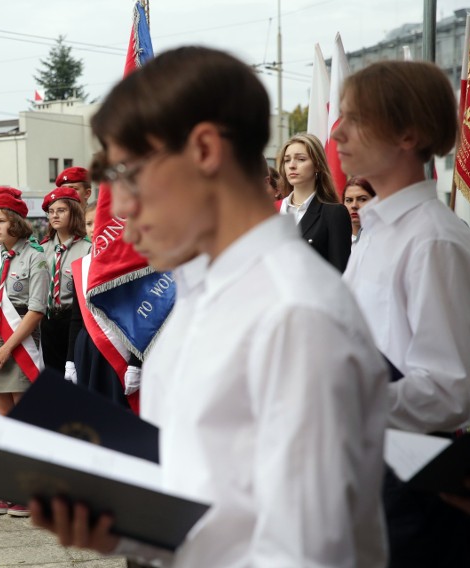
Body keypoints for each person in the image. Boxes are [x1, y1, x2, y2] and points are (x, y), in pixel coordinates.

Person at [30, 46, 389, 567]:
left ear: (203, 150)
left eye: (130, 174)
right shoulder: (204, 292)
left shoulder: (293, 313)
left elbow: (307, 553)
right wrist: (122, 531)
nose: (120, 210)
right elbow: (212, 496)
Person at [335, 60, 470, 568]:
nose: (337, 131)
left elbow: (449, 388)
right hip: (365, 467)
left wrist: (337, 399)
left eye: (356, 118)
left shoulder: (433, 240)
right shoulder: (377, 230)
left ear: (408, 133)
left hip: (414, 482)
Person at [0, 186, 49, 518]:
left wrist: (5, 348)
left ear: (17, 221)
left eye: (2, 220)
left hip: (18, 346)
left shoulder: (36, 258)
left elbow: (35, 310)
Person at [277, 133, 352, 271]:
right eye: (287, 160)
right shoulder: (271, 210)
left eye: (300, 159)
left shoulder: (334, 213)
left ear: (317, 165)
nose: (292, 165)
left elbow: (339, 272)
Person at [40, 187, 91, 375]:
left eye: (61, 210)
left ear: (74, 212)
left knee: (75, 373)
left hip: (73, 320)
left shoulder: (86, 248)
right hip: (47, 320)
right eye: (51, 212)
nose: (55, 216)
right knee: (52, 376)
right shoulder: (42, 249)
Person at [342, 177, 376, 244]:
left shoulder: (385, 238)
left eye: (362, 199)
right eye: (349, 200)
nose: (354, 205)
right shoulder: (334, 240)